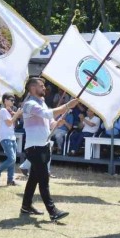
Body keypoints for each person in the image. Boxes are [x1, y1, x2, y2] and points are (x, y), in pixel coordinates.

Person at [20, 77, 77, 221]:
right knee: (44, 180)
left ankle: (26, 206)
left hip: (42, 146)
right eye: (41, 86)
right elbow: (47, 114)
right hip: (35, 148)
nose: (44, 88)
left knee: (34, 179)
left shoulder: (42, 103)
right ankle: (53, 211)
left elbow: (49, 122)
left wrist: (56, 123)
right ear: (33, 88)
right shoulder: (29, 104)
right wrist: (67, 106)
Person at [0, 93, 23, 186]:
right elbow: (9, 123)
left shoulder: (9, 111)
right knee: (12, 159)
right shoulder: (3, 110)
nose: (13, 102)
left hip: (12, 137)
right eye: (11, 100)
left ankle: (10, 180)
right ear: (5, 100)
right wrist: (17, 114)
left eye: (13, 100)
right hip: (5, 137)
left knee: (12, 161)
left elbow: (16, 119)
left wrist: (18, 113)